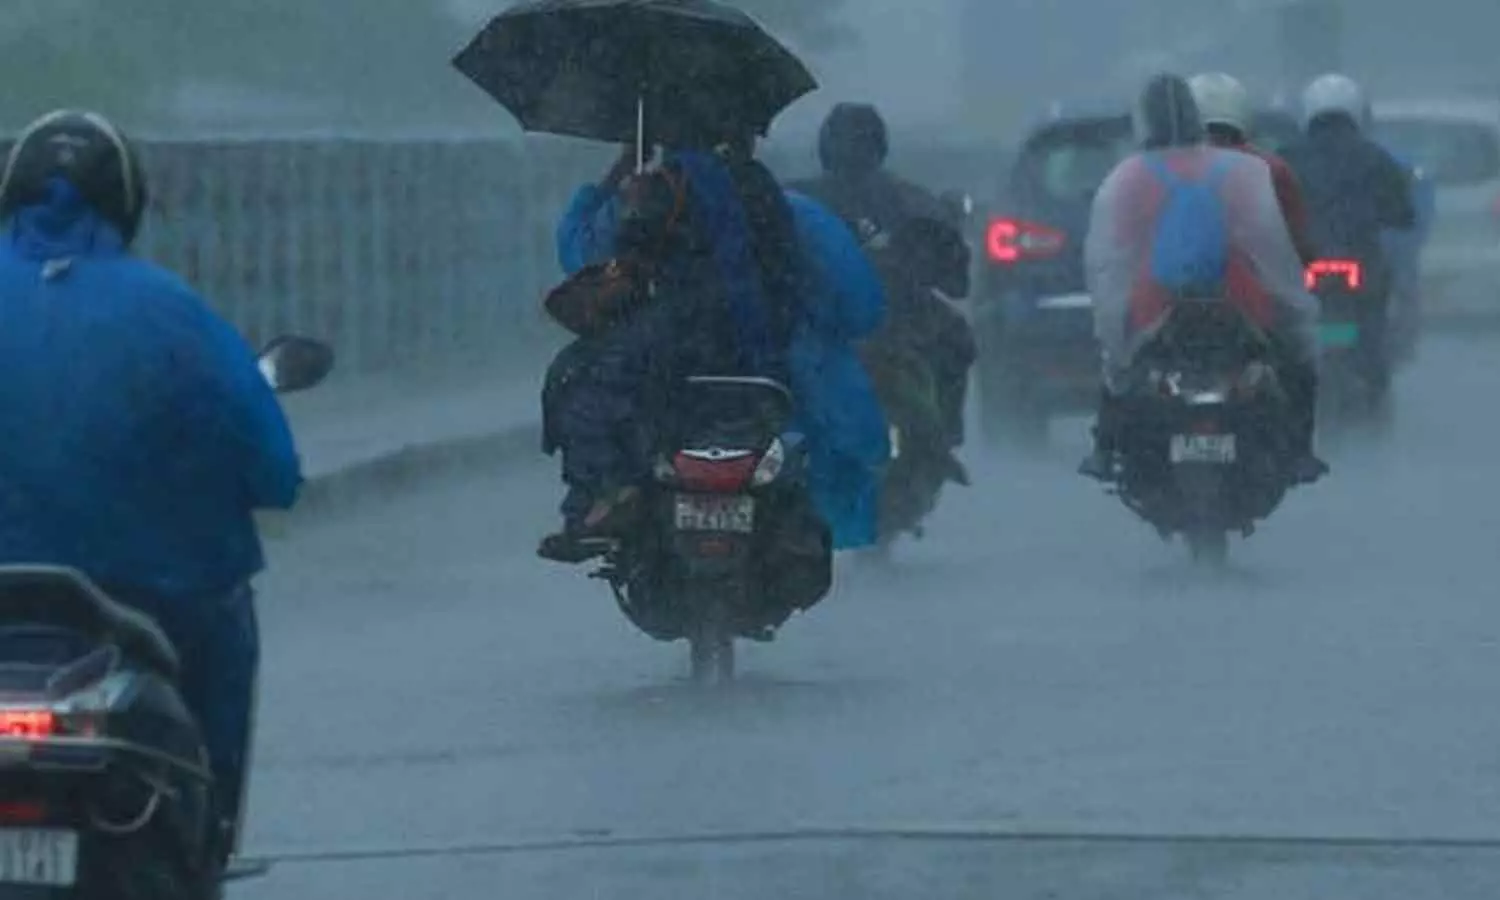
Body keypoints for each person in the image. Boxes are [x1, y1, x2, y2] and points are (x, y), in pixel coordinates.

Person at [0, 110, 302, 864]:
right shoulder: (176, 313)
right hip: (155, 598)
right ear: (127, 206)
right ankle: (208, 837)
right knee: (226, 628)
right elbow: (276, 472)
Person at [542, 129, 888, 558]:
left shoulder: (646, 198)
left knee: (575, 389)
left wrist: (619, 174)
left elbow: (579, 252)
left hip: (671, 371)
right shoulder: (790, 211)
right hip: (769, 376)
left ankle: (603, 499)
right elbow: (863, 305)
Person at [1078, 74, 1324, 485]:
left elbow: (1113, 253)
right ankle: (1301, 452)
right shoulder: (1245, 169)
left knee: (1116, 369)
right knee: (1299, 359)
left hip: (1156, 303)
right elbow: (1273, 240)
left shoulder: (1131, 177)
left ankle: (1104, 450)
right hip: (1242, 300)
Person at [787, 103, 974, 477]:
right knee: (958, 339)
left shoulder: (793, 202)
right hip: (885, 332)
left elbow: (955, 278)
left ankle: (943, 440)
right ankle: (946, 440)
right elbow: (957, 282)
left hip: (837, 332)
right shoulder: (912, 200)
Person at [1279, 74, 1416, 392]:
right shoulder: (1376, 157)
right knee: (1374, 323)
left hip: (1302, 264)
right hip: (1361, 263)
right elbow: (1403, 215)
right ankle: (1372, 372)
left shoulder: (1285, 157)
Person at [1188, 71, 1318, 265]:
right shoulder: (1273, 168)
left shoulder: (1165, 168)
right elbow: (1301, 244)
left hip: (1181, 286)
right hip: (1260, 288)